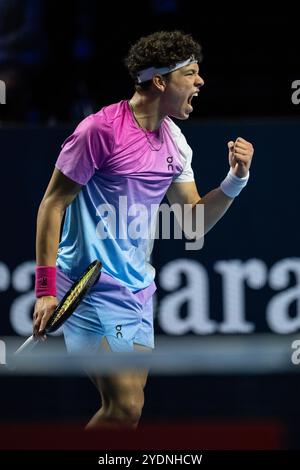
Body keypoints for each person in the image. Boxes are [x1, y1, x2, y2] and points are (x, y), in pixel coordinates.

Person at [33, 30, 254, 429]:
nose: (200, 82)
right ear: (160, 81)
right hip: (86, 285)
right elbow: (52, 204)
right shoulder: (98, 131)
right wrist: (46, 290)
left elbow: (193, 221)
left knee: (125, 416)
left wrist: (235, 180)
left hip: (137, 291)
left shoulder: (176, 143)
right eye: (190, 74)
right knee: (126, 407)